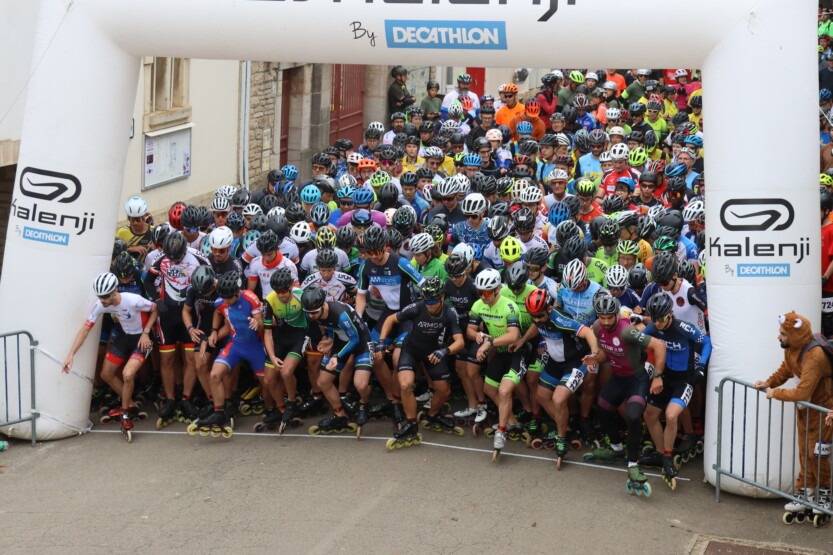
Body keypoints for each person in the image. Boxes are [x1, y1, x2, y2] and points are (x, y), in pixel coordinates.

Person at [588, 293, 667, 495]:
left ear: (616, 314)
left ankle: (633, 464)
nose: (605, 322)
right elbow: (606, 352)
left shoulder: (627, 332)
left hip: (637, 379)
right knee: (603, 408)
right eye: (602, 317)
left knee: (633, 416)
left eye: (609, 317)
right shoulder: (597, 327)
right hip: (618, 377)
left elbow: (658, 346)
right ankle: (615, 447)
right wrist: (595, 358)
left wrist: (657, 376)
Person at [756, 312, 833, 518]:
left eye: (782, 333)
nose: (778, 337)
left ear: (795, 336)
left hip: (824, 412)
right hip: (806, 410)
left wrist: (775, 393)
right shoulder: (792, 349)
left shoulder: (814, 356)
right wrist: (768, 383)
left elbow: (802, 393)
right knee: (804, 453)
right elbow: (786, 370)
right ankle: (805, 493)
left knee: (818, 455)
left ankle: (825, 495)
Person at [63, 273, 157, 437]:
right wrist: (71, 354)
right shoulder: (101, 304)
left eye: (105, 296)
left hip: (142, 338)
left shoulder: (133, 300)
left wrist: (147, 332)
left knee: (127, 374)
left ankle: (125, 412)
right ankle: (131, 403)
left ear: (114, 291)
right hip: (125, 336)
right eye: (100, 297)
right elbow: (85, 329)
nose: (103, 300)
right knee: (106, 374)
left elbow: (156, 309)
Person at [377, 276, 465, 447]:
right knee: (405, 385)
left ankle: (432, 416)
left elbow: (460, 341)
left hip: (433, 352)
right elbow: (390, 319)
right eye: (427, 301)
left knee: (444, 391)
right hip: (411, 349)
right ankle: (411, 424)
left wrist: (444, 351)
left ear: (442, 298)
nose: (429, 304)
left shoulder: (449, 312)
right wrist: (382, 340)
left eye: (433, 301)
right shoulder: (417, 307)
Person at [641, 293, 711, 489]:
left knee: (671, 416)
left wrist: (701, 366)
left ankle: (668, 458)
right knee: (649, 414)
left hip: (684, 380)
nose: (658, 322)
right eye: (654, 318)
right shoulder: (654, 326)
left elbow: (706, 342)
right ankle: (661, 453)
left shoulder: (682, 327)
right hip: (665, 377)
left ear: (670, 313)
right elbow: (642, 338)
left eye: (661, 318)